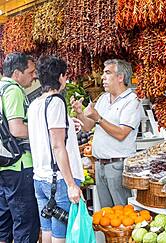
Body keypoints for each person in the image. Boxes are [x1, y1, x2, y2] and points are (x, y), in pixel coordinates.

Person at [71, 59, 142, 207]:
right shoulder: (103, 98)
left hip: (117, 165)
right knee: (106, 215)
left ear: (120, 77)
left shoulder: (131, 101)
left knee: (122, 214)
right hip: (99, 165)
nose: (102, 77)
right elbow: (87, 126)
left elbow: (122, 133)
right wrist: (80, 113)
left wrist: (98, 118)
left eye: (107, 73)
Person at [28, 56, 84, 242]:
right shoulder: (56, 102)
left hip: (40, 178)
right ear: (60, 77)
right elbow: (57, 145)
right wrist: (71, 184)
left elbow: (44, 135)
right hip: (58, 181)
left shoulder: (35, 104)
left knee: (47, 232)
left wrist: (69, 124)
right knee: (61, 235)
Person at [0, 52, 40, 243]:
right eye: (31, 72)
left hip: (3, 165)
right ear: (17, 73)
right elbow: (17, 129)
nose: (34, 76)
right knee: (26, 222)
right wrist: (44, 131)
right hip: (19, 166)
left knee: (4, 223)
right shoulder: (13, 90)